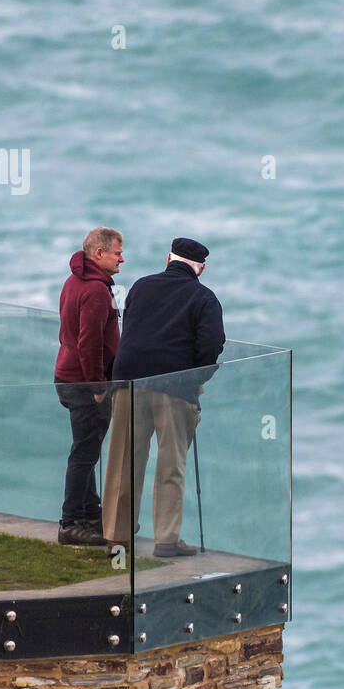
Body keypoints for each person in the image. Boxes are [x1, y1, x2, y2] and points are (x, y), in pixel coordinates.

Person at [101, 237, 224, 557]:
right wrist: (195, 379)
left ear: (169, 259)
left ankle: (117, 536)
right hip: (174, 387)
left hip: (129, 382)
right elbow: (211, 346)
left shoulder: (141, 286)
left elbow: (132, 331)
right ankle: (167, 540)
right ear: (201, 268)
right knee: (171, 463)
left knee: (124, 460)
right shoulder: (204, 297)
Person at [54, 227, 123, 546]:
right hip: (84, 383)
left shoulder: (73, 281)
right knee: (84, 453)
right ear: (99, 253)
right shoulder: (96, 290)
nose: (121, 258)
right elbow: (90, 343)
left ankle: (90, 515)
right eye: (116, 252)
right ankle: (70, 524)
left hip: (67, 376)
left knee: (87, 449)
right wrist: (98, 386)